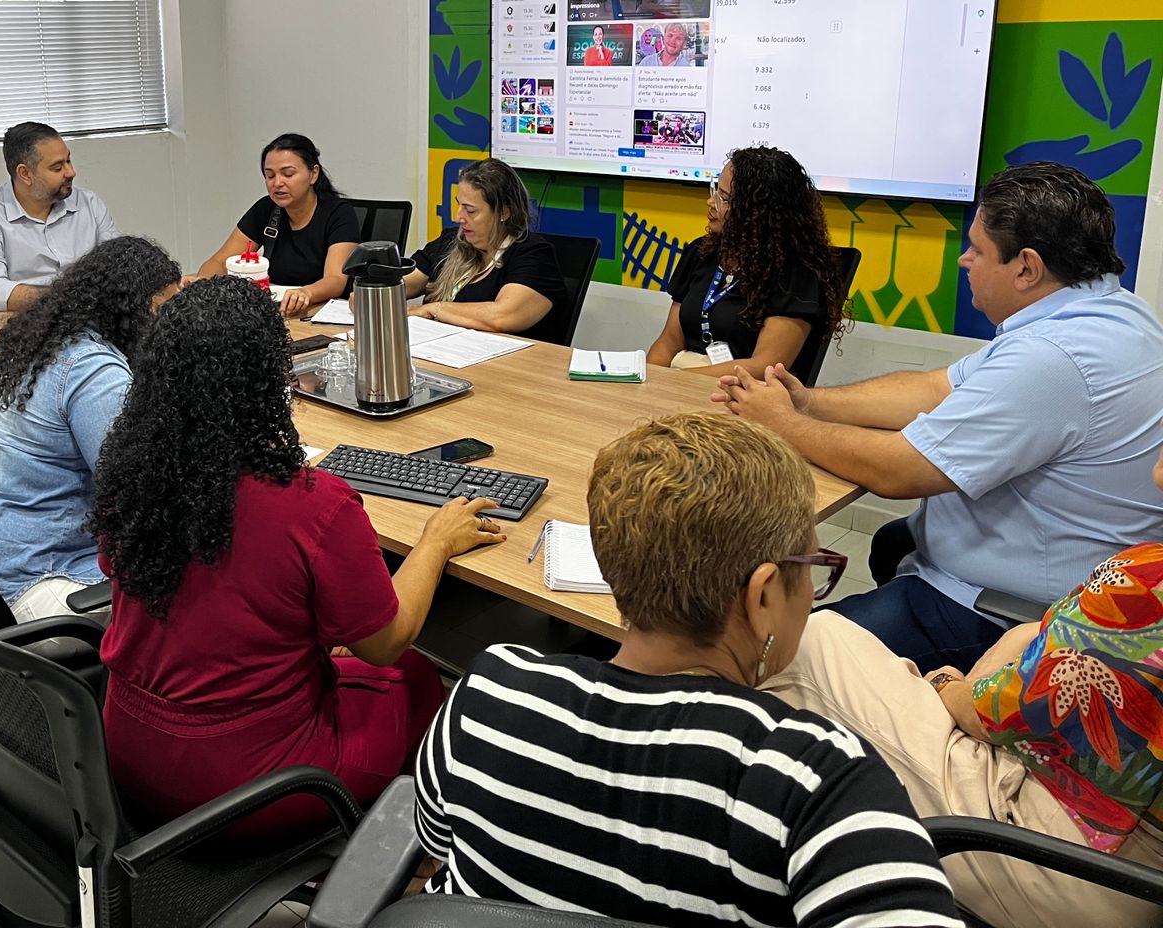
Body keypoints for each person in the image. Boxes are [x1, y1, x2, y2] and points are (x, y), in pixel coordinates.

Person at [415, 413, 963, 927]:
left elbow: (436, 849)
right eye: (816, 570)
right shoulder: (817, 779)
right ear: (764, 594)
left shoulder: (483, 695)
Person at [92, 277, 506, 837]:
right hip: (245, 787)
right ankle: (405, 854)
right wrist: (434, 542)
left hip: (130, 756)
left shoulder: (130, 478)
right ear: (273, 380)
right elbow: (384, 646)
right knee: (413, 673)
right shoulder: (314, 504)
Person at [720, 162, 1163, 673]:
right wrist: (808, 402)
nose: (963, 260)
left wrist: (783, 425)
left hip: (1011, 618)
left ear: (1026, 268)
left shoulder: (1054, 358)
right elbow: (936, 388)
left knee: (786, 658)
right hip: (1064, 572)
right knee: (892, 543)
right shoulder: (1110, 313)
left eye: (976, 248)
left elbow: (898, 471)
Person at [764, 539, 1163, 928]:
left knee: (815, 641)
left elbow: (984, 715)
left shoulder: (1147, 579)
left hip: (1074, 860)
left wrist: (944, 684)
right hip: (1124, 859)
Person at [0, 237, 180, 621]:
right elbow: (136, 490)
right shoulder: (92, 370)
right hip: (44, 579)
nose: (167, 328)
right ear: (133, 310)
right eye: (162, 313)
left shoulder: (40, 342)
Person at [648, 147, 846, 379]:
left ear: (759, 212)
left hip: (741, 396)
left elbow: (766, 367)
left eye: (725, 199)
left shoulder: (797, 274)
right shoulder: (702, 252)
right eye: (716, 191)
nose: (711, 202)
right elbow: (668, 343)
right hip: (679, 385)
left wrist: (678, 381)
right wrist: (648, 380)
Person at [0, 121, 119, 313]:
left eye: (68, 161)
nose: (71, 172)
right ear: (25, 174)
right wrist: (72, 297)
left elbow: (117, 268)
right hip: (25, 329)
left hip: (93, 321)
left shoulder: (89, 203)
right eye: (57, 167)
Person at [193, 133, 359, 318]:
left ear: (313, 174)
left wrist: (307, 293)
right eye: (270, 176)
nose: (277, 183)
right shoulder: (267, 209)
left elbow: (335, 279)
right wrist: (201, 286)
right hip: (276, 313)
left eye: (288, 174)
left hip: (317, 313)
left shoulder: (338, 213)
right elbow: (220, 261)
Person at [406, 157, 568, 342]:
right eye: (459, 205)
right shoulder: (452, 241)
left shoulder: (533, 254)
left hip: (507, 364)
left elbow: (501, 316)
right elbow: (406, 282)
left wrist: (435, 309)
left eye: (471, 210)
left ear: (504, 213)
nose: (459, 217)